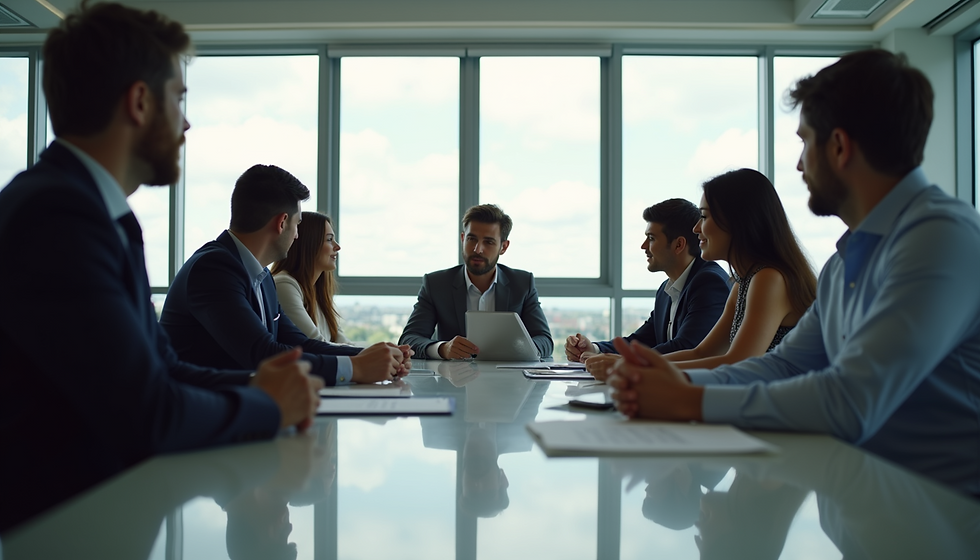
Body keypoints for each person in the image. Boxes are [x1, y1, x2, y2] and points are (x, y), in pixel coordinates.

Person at [0, 2, 322, 533]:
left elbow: (161, 367)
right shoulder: (57, 216)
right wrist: (268, 406)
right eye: (180, 98)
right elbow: (148, 412)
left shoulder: (91, 211)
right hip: (65, 529)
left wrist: (257, 384)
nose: (187, 121)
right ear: (141, 101)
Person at [608, 49, 980, 496]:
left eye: (805, 142)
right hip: (868, 502)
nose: (800, 165)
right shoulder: (846, 260)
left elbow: (851, 400)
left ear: (839, 147)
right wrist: (672, 380)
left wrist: (688, 397)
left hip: (938, 517)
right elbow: (784, 366)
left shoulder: (941, 240)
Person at [161, 164, 411, 385]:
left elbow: (300, 343)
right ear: (282, 223)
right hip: (200, 416)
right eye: (297, 224)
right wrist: (355, 368)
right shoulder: (214, 268)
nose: (297, 235)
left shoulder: (262, 277)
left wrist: (375, 355)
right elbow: (262, 354)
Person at [660, 169, 817, 370]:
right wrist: (633, 363)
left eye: (704, 217)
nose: (696, 228)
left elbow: (739, 362)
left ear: (737, 221)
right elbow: (703, 352)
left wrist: (641, 369)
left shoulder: (769, 278)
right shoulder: (743, 282)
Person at [565, 199, 730, 379]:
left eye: (651, 238)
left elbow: (687, 346)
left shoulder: (709, 282)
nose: (643, 246)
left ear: (679, 245)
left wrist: (619, 361)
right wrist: (595, 349)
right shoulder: (666, 289)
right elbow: (642, 340)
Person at [399, 204, 553, 359]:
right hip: (452, 380)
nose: (478, 249)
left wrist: (523, 350)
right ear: (462, 239)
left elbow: (544, 339)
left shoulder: (522, 284)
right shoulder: (436, 284)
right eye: (472, 239)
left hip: (509, 380)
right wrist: (442, 348)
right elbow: (409, 339)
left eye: (489, 242)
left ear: (503, 247)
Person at [271, 211, 351, 344]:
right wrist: (375, 356)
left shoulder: (318, 292)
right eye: (329, 239)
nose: (337, 247)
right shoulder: (284, 285)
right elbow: (316, 344)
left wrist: (384, 354)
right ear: (309, 244)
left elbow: (341, 341)